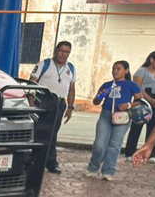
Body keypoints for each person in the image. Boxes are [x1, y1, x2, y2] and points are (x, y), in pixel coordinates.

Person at [84, 60, 139, 181]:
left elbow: (140, 100)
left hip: (122, 116)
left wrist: (128, 105)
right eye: (113, 69)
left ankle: (109, 170)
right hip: (106, 115)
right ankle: (93, 167)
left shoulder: (131, 85)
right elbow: (96, 102)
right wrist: (100, 95)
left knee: (114, 145)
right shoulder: (107, 84)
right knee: (99, 144)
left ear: (126, 70)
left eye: (118, 69)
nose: (115, 71)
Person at [29, 41, 76, 173]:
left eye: (67, 52)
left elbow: (71, 88)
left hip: (59, 102)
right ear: (56, 50)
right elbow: (32, 81)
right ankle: (34, 160)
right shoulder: (44, 64)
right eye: (61, 51)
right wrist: (31, 99)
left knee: (52, 133)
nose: (63, 54)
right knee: (39, 131)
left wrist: (70, 107)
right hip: (43, 100)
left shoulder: (71, 68)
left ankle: (50, 162)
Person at [121, 50, 155, 157]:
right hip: (142, 101)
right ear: (152, 60)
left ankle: (152, 153)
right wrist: (150, 100)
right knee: (137, 127)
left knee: (153, 128)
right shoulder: (142, 71)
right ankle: (130, 151)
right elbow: (138, 88)